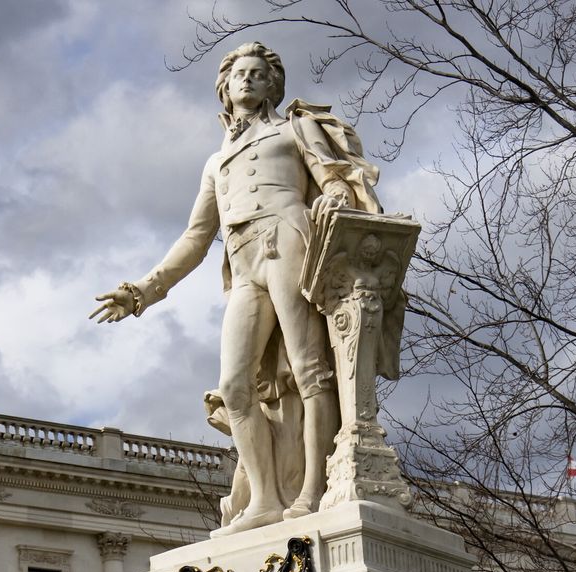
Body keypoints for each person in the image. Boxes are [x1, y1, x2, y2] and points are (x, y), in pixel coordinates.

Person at [91, 42, 382, 535]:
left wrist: (334, 194)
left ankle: (313, 490)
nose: (246, 80)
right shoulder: (215, 162)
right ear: (224, 89)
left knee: (310, 370)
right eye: (238, 75)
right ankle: (265, 499)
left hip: (287, 239)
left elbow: (332, 178)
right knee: (233, 386)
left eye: (257, 73)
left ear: (273, 85)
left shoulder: (295, 127)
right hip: (243, 263)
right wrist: (143, 289)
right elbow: (197, 236)